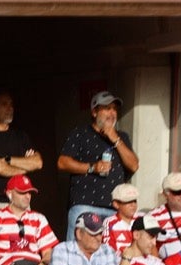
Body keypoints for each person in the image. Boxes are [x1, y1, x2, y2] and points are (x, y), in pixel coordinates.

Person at [57, 91, 137, 242]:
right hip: (85, 206)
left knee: (110, 259)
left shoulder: (122, 137)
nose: (112, 113)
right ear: (94, 112)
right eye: (107, 108)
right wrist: (92, 167)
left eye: (114, 109)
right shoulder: (80, 133)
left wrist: (115, 138)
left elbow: (133, 165)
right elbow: (62, 162)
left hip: (115, 209)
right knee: (76, 255)